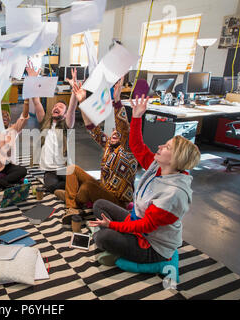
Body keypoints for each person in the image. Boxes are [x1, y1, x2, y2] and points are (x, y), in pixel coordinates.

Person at [88, 94, 201, 266]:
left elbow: (144, 227)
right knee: (99, 205)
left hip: (153, 246)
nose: (160, 147)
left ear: (175, 159)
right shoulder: (158, 166)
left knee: (102, 237)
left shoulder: (173, 194)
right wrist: (137, 116)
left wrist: (112, 226)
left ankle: (124, 250)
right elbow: (137, 146)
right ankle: (118, 241)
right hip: (136, 220)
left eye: (167, 147)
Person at [56, 78, 138, 225]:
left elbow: (123, 126)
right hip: (103, 189)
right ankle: (73, 201)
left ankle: (72, 202)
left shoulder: (128, 149)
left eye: (117, 133)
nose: (114, 133)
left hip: (117, 202)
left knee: (87, 187)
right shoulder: (109, 144)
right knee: (71, 169)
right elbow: (91, 127)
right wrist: (82, 101)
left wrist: (117, 100)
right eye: (113, 132)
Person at [29, 64, 78, 194]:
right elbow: (36, 102)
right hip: (49, 170)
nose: (56, 107)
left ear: (65, 114)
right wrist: (33, 80)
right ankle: (69, 187)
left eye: (61, 107)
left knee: (73, 182)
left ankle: (72, 185)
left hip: (64, 168)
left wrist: (74, 89)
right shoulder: (45, 121)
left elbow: (72, 109)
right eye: (55, 106)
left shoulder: (67, 125)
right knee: (51, 186)